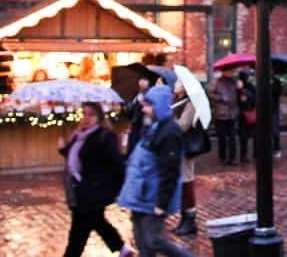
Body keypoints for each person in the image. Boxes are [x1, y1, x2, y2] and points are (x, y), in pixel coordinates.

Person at [117, 85, 193, 257]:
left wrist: (162, 203)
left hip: (152, 196)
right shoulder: (151, 126)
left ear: (158, 105)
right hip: (140, 194)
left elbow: (170, 171)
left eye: (148, 105)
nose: (144, 109)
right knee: (141, 240)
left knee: (153, 240)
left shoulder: (168, 132)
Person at [58, 102, 133, 257]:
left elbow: (117, 163)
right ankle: (122, 248)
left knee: (78, 232)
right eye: (84, 114)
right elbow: (74, 157)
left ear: (99, 117)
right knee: (97, 221)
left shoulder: (104, 136)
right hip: (79, 188)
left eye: (91, 115)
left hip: (94, 191)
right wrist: (63, 148)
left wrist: (119, 189)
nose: (86, 118)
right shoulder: (79, 135)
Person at [172, 80, 199, 237]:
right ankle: (184, 218)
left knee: (186, 180)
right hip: (178, 147)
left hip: (186, 147)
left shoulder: (190, 103)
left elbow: (183, 125)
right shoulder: (177, 101)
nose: (175, 85)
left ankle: (190, 219)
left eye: (179, 83)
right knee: (181, 181)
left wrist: (170, 119)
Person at [210, 69, 239, 166]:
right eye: (229, 71)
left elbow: (239, 95)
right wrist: (221, 98)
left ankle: (232, 158)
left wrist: (240, 88)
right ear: (224, 71)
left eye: (232, 71)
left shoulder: (234, 81)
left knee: (232, 137)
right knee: (221, 137)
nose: (231, 72)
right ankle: (222, 157)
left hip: (232, 113)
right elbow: (210, 94)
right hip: (220, 114)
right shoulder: (216, 81)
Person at [125, 71, 158, 156]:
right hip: (135, 127)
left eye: (145, 80)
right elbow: (130, 112)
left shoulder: (150, 94)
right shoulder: (136, 94)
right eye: (140, 79)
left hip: (142, 128)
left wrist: (142, 102)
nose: (142, 82)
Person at [236, 69, 257, 164]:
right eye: (248, 76)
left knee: (255, 135)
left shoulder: (252, 87)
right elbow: (239, 101)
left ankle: (256, 153)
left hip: (252, 113)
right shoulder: (238, 88)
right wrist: (240, 90)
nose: (250, 78)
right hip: (242, 115)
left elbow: (255, 99)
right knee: (243, 137)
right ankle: (243, 156)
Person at [271, 73, 283, 157]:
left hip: (274, 108)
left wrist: (271, 85)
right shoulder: (261, 78)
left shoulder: (276, 81)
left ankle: (277, 149)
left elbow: (279, 92)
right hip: (264, 109)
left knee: (275, 129)